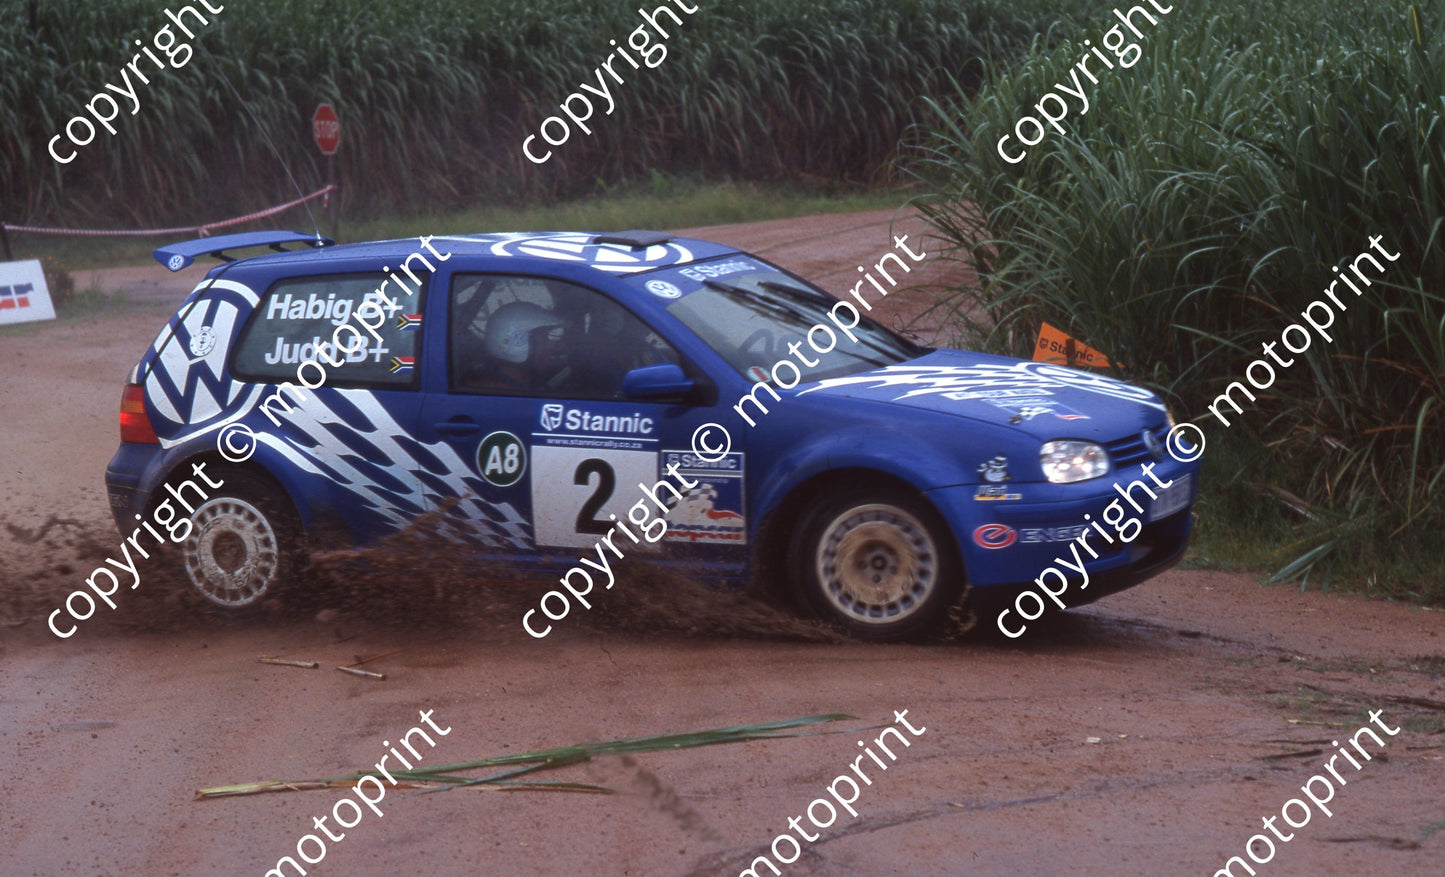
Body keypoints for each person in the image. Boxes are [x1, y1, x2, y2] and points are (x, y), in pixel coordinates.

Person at [466, 301, 567, 392]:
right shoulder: (499, 395)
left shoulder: (525, 386)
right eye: (544, 338)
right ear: (517, 344)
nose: (553, 345)